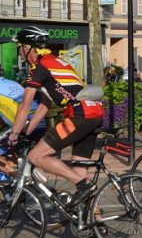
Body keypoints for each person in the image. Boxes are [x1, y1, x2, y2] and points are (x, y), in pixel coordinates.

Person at [6, 26, 105, 207]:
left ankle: (83, 186)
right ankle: (93, 224)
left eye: (19, 47)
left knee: (36, 156)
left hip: (79, 115)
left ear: (28, 48)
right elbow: (44, 106)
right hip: (93, 113)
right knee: (78, 170)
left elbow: (25, 106)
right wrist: (26, 131)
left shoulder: (39, 67)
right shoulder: (54, 62)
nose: (19, 52)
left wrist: (13, 134)